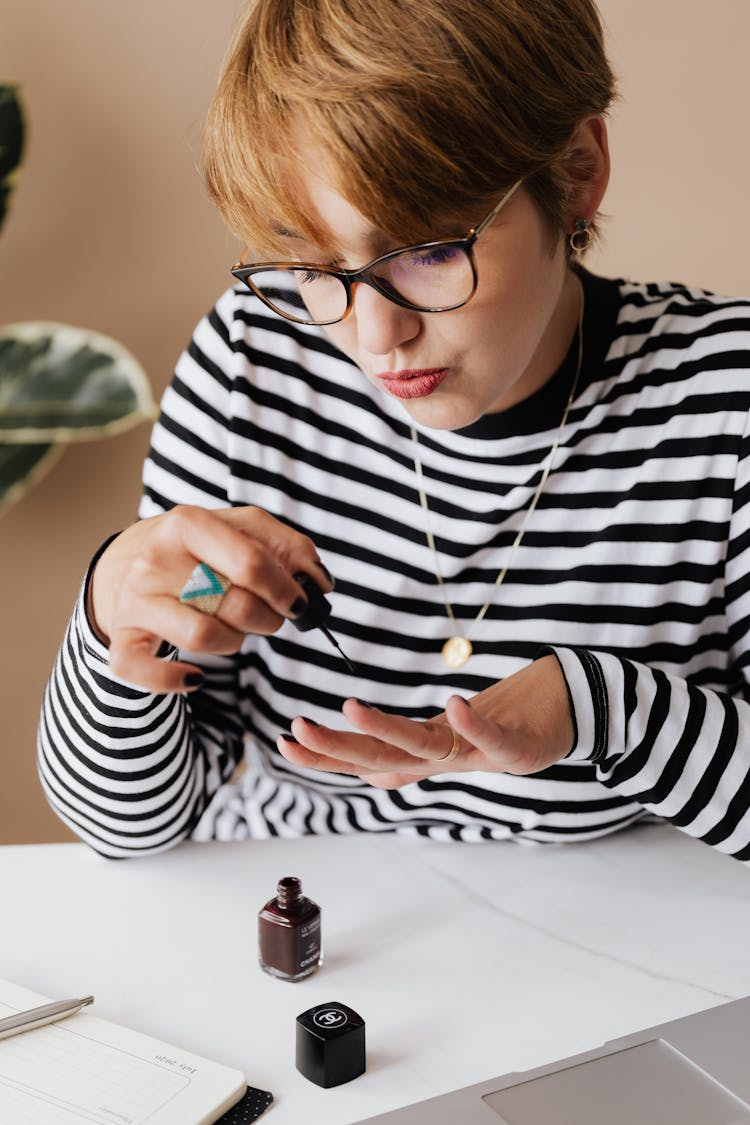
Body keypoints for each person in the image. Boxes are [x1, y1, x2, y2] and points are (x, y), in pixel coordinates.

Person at [38, 0, 750, 861]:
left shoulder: (724, 391)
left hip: (614, 945)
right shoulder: (255, 359)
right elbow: (126, 826)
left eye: (427, 250)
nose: (375, 338)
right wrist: (117, 619)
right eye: (310, 266)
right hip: (292, 915)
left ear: (578, 170)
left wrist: (598, 707)